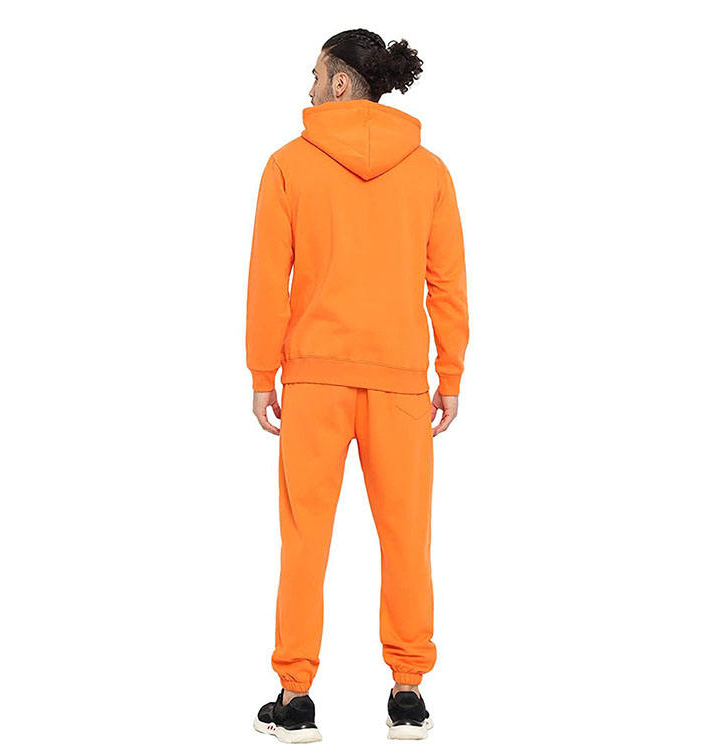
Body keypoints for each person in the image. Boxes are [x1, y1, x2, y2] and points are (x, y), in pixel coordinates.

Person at [246, 28, 469, 742]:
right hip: (400, 382)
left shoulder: (288, 165)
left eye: (316, 75)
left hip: (314, 379)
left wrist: (262, 372)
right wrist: (449, 372)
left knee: (304, 538)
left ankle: (295, 699)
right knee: (407, 538)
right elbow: (447, 283)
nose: (309, 88)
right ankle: (408, 695)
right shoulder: (429, 171)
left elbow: (268, 281)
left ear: (341, 82)